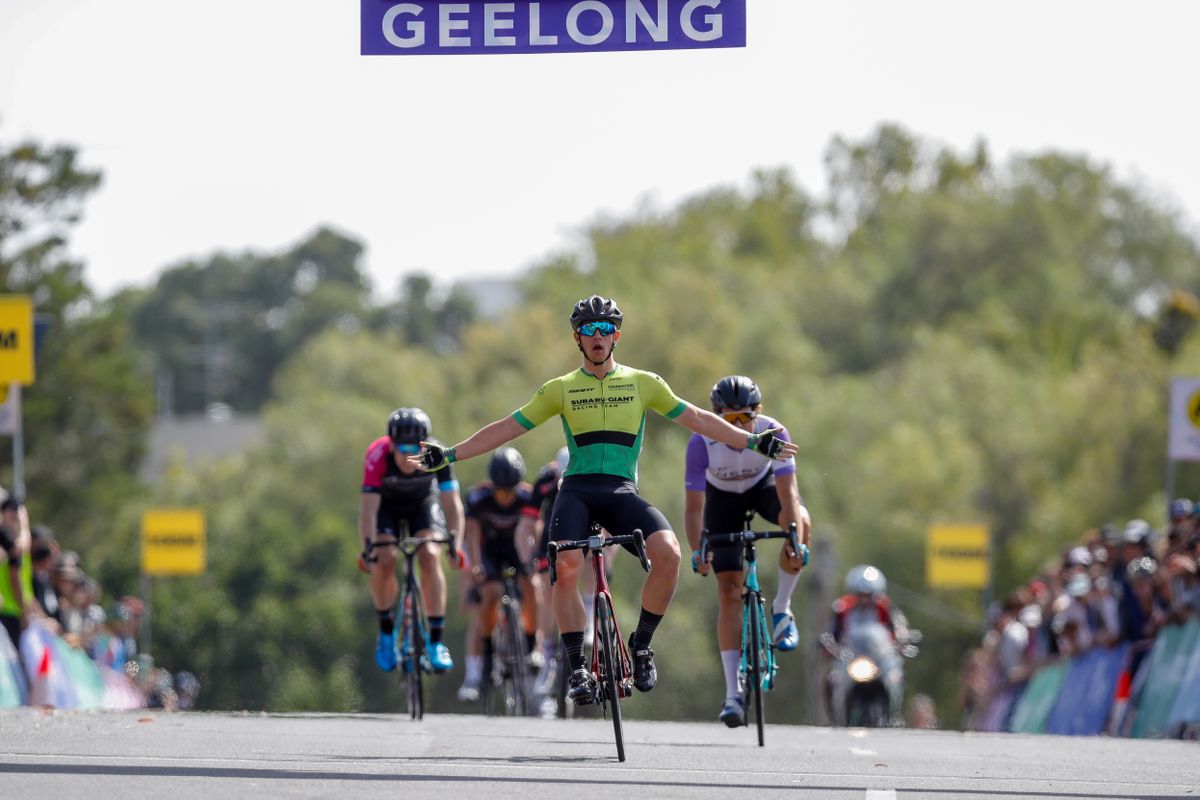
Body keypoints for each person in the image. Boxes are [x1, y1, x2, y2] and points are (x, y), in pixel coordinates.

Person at [411, 295, 798, 705]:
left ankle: (642, 645)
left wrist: (755, 441)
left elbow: (699, 419)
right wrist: (450, 454)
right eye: (589, 330)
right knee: (565, 563)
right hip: (577, 490)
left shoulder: (644, 383)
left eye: (605, 329)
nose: (598, 337)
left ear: (617, 335)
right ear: (577, 338)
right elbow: (507, 428)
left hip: (620, 491)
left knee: (668, 553)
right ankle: (577, 665)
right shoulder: (560, 389)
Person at [684, 374, 812, 727]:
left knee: (801, 519)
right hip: (721, 501)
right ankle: (732, 693)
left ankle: (783, 610)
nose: (739, 427)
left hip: (762, 489)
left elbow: (789, 496)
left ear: (759, 413)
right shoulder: (701, 442)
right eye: (730, 420)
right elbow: (694, 510)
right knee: (728, 591)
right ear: (716, 417)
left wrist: (795, 539)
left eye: (746, 419)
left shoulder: (775, 434)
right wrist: (699, 550)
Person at [358, 407, 464, 673]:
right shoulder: (377, 455)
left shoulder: (437, 453)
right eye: (401, 449)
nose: (407, 456)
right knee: (385, 558)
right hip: (387, 508)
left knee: (430, 555)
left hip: (422, 505)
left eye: (413, 449)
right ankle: (385, 634)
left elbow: (453, 506)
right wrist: (367, 548)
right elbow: (368, 510)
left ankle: (437, 642)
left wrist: (455, 545)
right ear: (390, 444)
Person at [456, 447, 544, 703]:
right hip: (489, 550)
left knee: (531, 584)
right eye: (500, 490)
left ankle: (530, 644)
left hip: (518, 549)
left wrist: (534, 560)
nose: (505, 496)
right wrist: (475, 567)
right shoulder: (478, 498)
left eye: (510, 490)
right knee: (490, 593)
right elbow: (471, 535)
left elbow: (534, 531)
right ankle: (487, 651)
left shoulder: (528, 496)